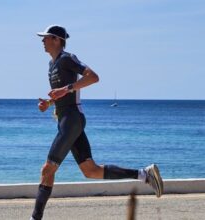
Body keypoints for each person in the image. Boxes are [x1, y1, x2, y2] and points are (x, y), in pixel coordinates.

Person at [30, 25, 163, 220]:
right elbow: (62, 94)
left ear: (57, 40)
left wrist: (65, 89)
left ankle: (35, 218)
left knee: (47, 169)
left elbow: (93, 77)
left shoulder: (67, 58)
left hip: (72, 120)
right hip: (66, 121)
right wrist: (49, 102)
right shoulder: (52, 65)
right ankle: (145, 174)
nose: (42, 41)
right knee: (90, 171)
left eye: (46, 37)